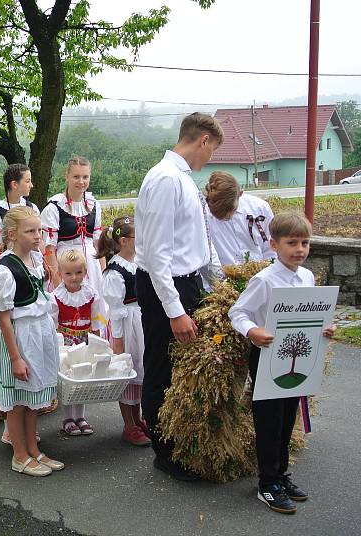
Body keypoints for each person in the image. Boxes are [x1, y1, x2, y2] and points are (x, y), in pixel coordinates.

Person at [134, 112, 223, 481]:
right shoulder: (165, 179)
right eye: (212, 150)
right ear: (202, 140)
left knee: (182, 369)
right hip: (163, 287)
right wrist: (174, 310)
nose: (211, 158)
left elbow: (198, 241)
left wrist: (220, 284)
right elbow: (157, 255)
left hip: (185, 282)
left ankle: (180, 441)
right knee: (162, 367)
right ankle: (164, 451)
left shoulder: (183, 179)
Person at [228, 212, 336, 514]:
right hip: (266, 356)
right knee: (269, 422)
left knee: (288, 418)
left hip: (296, 358)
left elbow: (310, 314)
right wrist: (252, 330)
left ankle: (281, 474)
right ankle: (267, 483)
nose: (300, 249)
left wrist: (325, 327)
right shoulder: (263, 280)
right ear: (274, 244)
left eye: (305, 243)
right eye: (292, 243)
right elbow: (238, 313)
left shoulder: (307, 276)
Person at [0, 206, 62, 476]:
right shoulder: (6, 270)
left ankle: (34, 450)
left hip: (38, 333)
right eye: (30, 231)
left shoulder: (35, 260)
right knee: (18, 401)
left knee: (32, 398)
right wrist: (16, 358)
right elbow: (4, 319)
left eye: (39, 230)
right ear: (12, 234)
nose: (37, 236)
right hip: (20, 338)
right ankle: (19, 454)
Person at [40, 156, 107, 435]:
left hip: (90, 267)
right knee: (67, 348)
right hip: (65, 268)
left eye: (86, 177)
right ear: (66, 177)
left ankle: (82, 412)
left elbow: (99, 244)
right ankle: (66, 411)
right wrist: (59, 283)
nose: (81, 182)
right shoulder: (54, 207)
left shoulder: (94, 205)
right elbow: (48, 248)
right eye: (77, 176)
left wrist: (103, 276)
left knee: (89, 342)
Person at [98, 216, 150, 446]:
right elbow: (116, 310)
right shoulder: (114, 272)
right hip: (128, 325)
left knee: (140, 369)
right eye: (136, 237)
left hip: (141, 320)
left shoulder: (140, 261)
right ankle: (128, 424)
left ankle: (137, 419)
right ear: (124, 240)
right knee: (127, 371)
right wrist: (117, 341)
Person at [52, 249, 98, 437]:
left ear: (85, 272)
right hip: (66, 342)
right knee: (69, 380)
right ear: (60, 274)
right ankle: (67, 418)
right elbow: (53, 323)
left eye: (78, 272)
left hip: (85, 340)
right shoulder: (56, 296)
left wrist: (96, 339)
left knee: (83, 377)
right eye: (68, 273)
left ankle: (80, 417)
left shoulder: (91, 293)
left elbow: (96, 318)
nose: (74, 277)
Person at [204, 171, 275, 266]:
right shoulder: (203, 215)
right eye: (220, 213)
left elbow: (271, 248)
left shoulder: (260, 208)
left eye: (231, 209)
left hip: (261, 274)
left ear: (240, 194)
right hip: (221, 276)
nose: (227, 216)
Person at [0, 164, 39, 261]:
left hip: (32, 260)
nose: (31, 185)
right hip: (11, 262)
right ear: (14, 184)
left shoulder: (32, 208)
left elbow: (39, 241)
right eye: (27, 181)